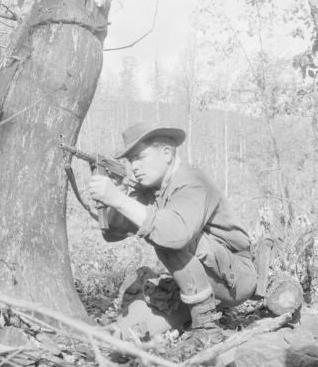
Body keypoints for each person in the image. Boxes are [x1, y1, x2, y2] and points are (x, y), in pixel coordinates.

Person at [88, 122, 262, 340]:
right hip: (201, 282)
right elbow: (114, 233)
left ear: (167, 153)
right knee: (125, 332)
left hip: (236, 278)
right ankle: (196, 315)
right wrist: (115, 200)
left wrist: (117, 198)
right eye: (130, 160)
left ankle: (207, 329)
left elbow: (174, 235)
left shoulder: (193, 182)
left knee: (167, 236)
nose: (134, 167)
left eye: (139, 157)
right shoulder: (153, 188)